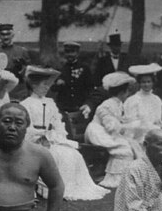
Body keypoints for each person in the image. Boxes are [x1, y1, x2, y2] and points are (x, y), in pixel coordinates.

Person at [21, 66, 109, 201]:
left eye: (48, 85)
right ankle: (52, 189)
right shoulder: (26, 104)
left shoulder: (49, 102)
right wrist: (39, 135)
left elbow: (58, 125)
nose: (47, 88)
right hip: (34, 141)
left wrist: (55, 136)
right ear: (33, 85)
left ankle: (68, 187)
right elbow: (26, 127)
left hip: (50, 139)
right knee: (58, 155)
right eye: (43, 84)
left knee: (71, 154)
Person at [84, 71, 144, 188]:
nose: (128, 94)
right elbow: (110, 125)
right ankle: (115, 178)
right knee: (123, 147)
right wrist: (125, 126)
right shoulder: (107, 104)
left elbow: (119, 121)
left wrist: (127, 124)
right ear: (122, 92)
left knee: (132, 143)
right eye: (127, 91)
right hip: (97, 132)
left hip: (106, 131)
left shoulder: (119, 103)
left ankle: (128, 176)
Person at [53, 41, 97, 119]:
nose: (70, 54)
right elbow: (52, 89)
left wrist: (87, 103)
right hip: (64, 108)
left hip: (80, 107)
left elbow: (90, 88)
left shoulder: (84, 68)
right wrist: (57, 84)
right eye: (67, 52)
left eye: (72, 52)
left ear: (77, 53)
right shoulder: (60, 69)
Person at [0, 23, 31, 100]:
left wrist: (21, 69)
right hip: (0, 89)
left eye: (8, 34)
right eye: (3, 34)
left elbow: (29, 72)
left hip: (18, 90)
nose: (6, 37)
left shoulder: (22, 51)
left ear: (12, 35)